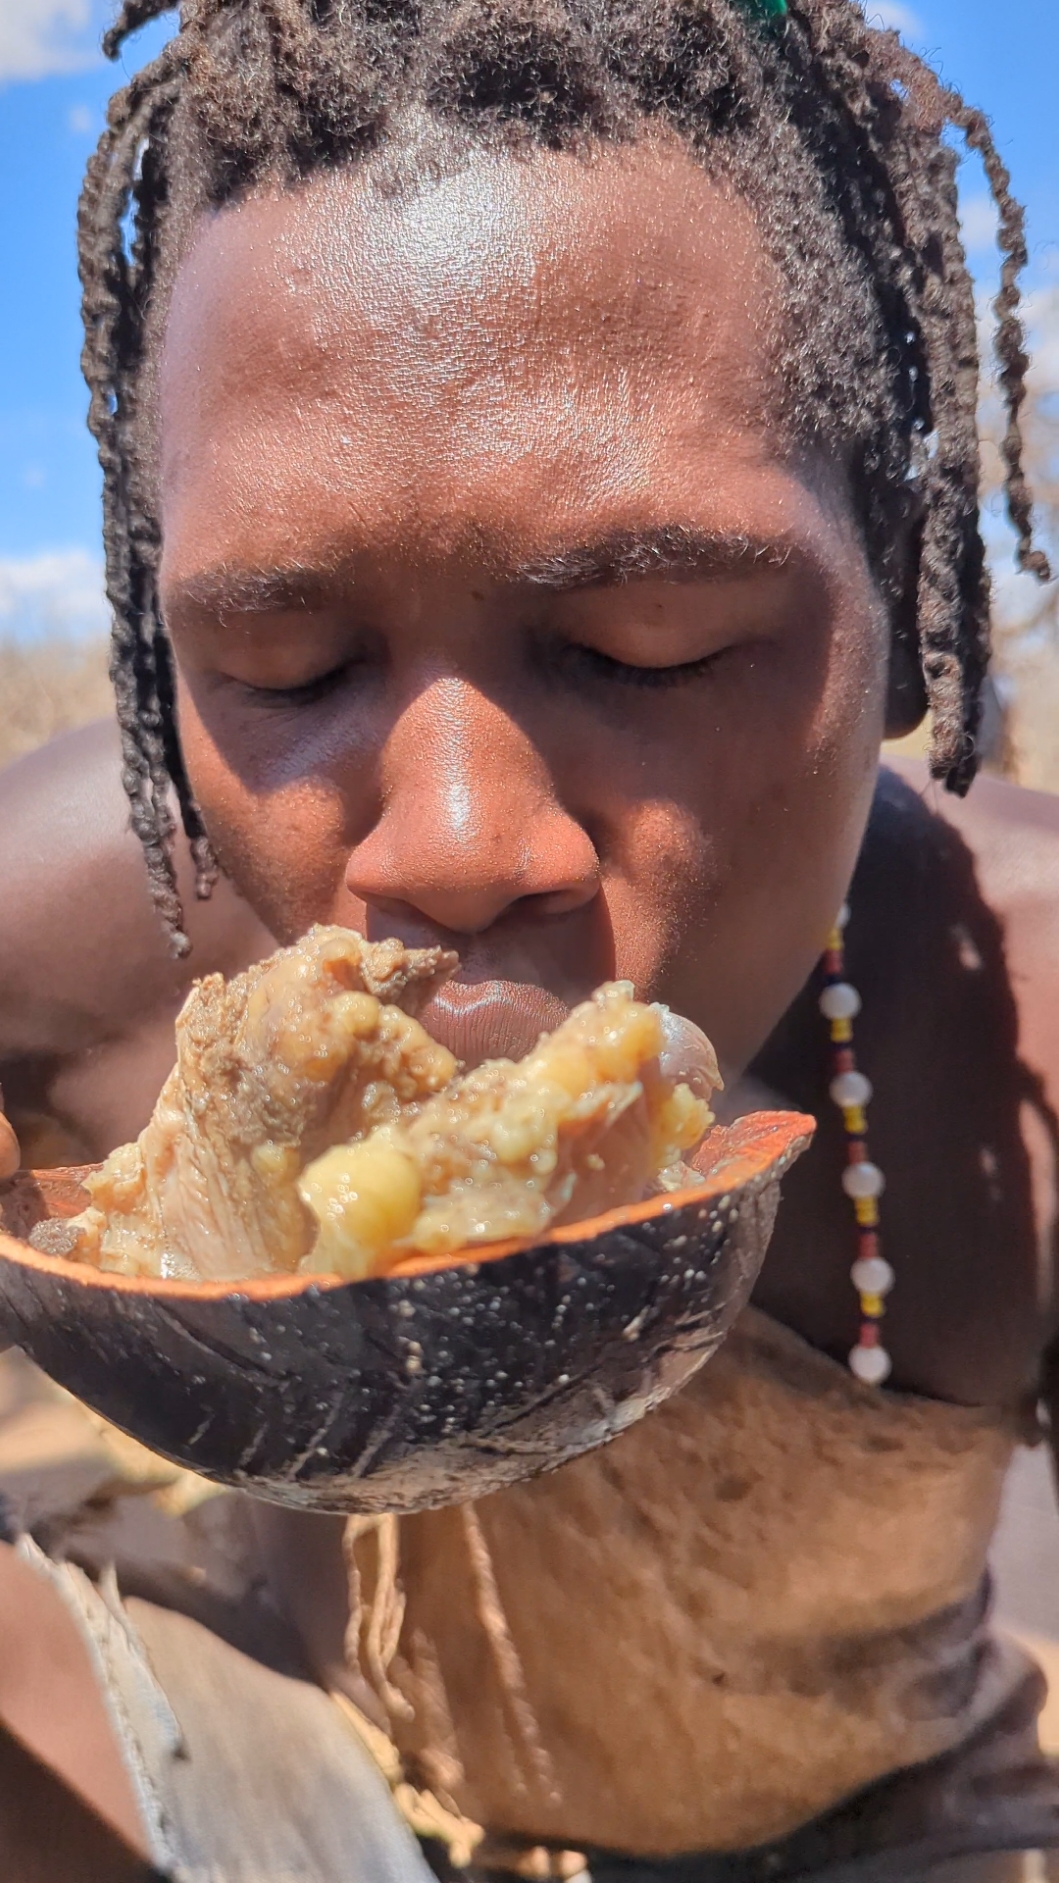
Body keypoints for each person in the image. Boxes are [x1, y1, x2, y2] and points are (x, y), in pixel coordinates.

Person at [1, 0, 1059, 1873]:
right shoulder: (91, 944)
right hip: (310, 1771)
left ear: (895, 582)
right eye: (286, 668)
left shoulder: (1020, 1037)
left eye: (648, 646)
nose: (461, 843)